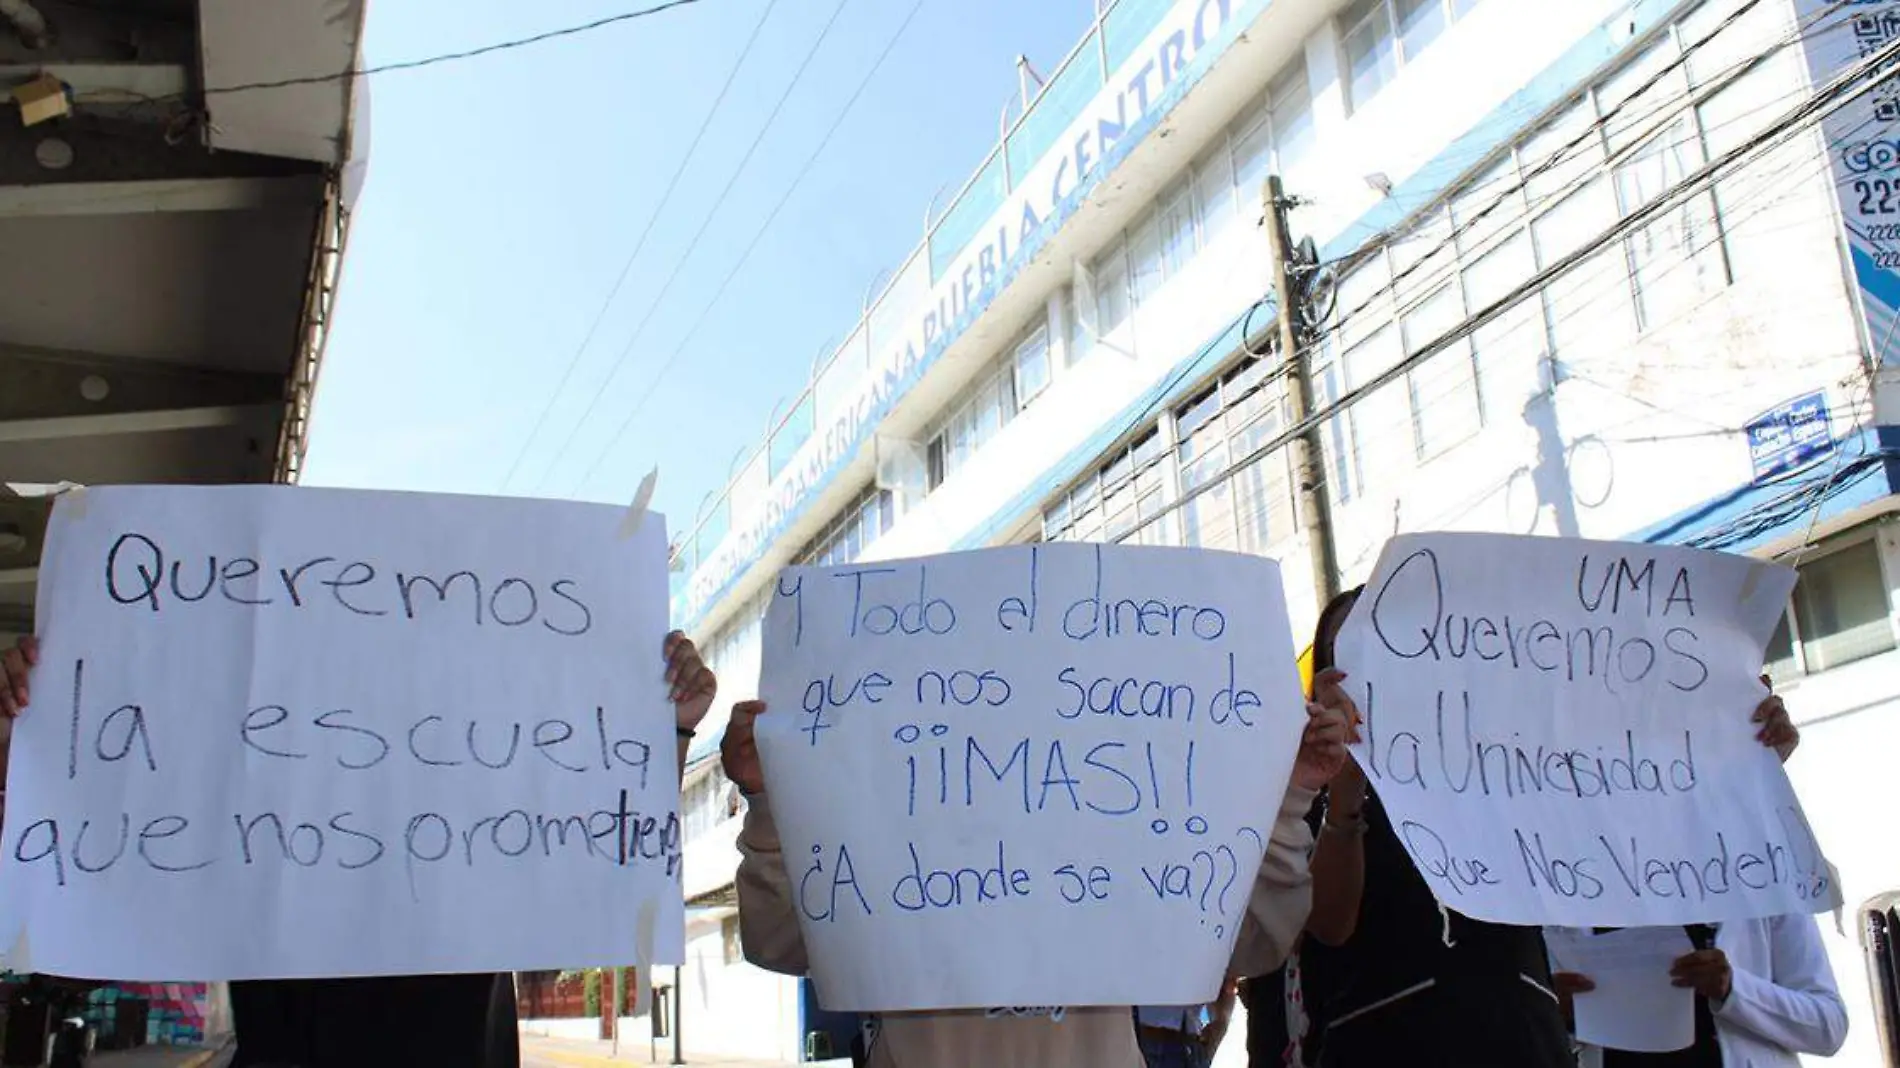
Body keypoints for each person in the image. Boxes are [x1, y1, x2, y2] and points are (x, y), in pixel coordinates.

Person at [0, 630, 718, 1068]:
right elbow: (101, 881)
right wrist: (26, 741)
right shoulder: (250, 835)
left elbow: (607, 856)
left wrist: (673, 730)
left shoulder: (491, 844)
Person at [1275, 588, 1802, 1068]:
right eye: (1354, 653)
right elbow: (1330, 925)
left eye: (1391, 641)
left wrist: (1744, 759)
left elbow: (1642, 831)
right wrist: (1345, 791)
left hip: (1524, 1041)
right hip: (1388, 1046)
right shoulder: (1306, 786)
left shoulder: (1506, 769)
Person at [721, 686, 1361, 1068]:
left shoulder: (1116, 851)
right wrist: (769, 799)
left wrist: (1293, 793)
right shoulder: (890, 846)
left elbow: (1252, 942)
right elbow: (779, 940)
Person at [1551, 915, 1847, 1067]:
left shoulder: (1764, 884)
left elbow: (1828, 1027)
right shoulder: (1569, 897)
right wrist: (1558, 1015)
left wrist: (1734, 989)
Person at [1136, 978, 1236, 1068]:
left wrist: (1221, 1025)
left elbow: (1229, 984)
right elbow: (1229, 984)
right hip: (1177, 1042)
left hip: (1182, 1043)